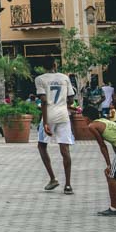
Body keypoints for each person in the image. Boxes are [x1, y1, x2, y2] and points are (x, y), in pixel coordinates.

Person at [34, 59, 75, 195]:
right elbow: (71, 99)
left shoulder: (40, 79)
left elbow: (44, 101)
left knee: (42, 145)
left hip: (49, 115)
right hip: (63, 115)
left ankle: (53, 178)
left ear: (43, 67)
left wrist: (45, 122)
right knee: (65, 149)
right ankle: (68, 184)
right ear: (55, 65)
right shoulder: (64, 78)